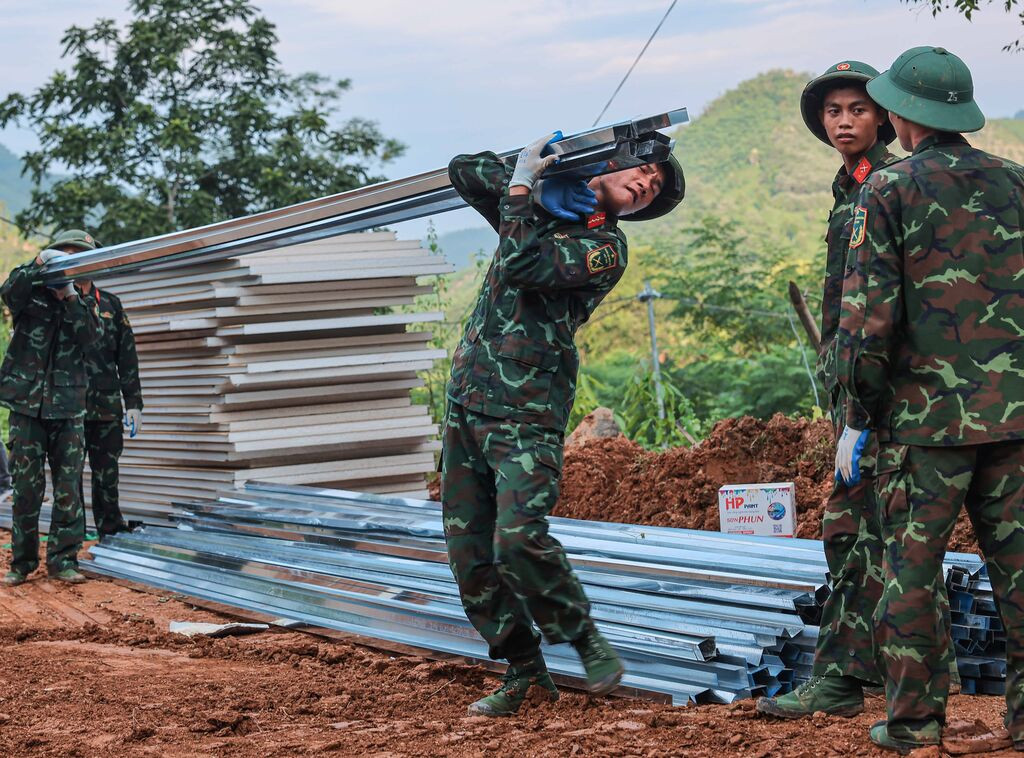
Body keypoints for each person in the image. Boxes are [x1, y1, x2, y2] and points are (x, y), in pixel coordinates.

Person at [442, 133, 684, 716]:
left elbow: (524, 264)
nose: (646, 185)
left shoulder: (603, 246)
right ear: (612, 163)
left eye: (652, 190)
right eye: (645, 170)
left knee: (518, 538)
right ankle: (525, 671)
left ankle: (584, 640)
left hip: (525, 409)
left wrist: (525, 193)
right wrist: (550, 164)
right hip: (468, 397)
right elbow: (464, 170)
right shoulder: (544, 203)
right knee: (469, 556)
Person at [833, 46, 1024, 753]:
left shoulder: (888, 190)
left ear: (900, 114)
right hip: (1016, 419)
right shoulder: (1016, 182)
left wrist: (856, 416)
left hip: (924, 428)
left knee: (910, 576)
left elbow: (866, 324)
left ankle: (915, 725)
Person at [761, 60, 909, 718]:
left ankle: (845, 681)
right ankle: (880, 669)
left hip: (884, 393)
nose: (844, 120)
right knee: (874, 528)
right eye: (833, 111)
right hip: (855, 388)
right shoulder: (847, 186)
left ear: (883, 117)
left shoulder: (888, 183)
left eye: (858, 109)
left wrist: (861, 405)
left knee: (851, 528)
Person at [1, 229, 101, 585]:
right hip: (27, 406)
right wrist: (39, 262)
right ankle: (22, 563)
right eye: (65, 254)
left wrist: (71, 296)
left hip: (69, 407)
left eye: (79, 256)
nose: (70, 262)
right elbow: (9, 292)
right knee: (26, 490)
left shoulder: (88, 302)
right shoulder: (31, 292)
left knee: (67, 488)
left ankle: (63, 560)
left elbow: (92, 341)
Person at [76, 275, 143, 537]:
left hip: (106, 406)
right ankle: (72, 535)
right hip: (68, 406)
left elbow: (127, 357)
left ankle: (111, 529)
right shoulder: (59, 302)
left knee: (107, 472)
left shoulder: (111, 305)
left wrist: (134, 403)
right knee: (69, 475)